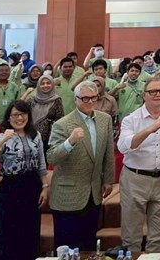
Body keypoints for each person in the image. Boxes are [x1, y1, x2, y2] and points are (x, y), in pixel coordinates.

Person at [117, 76, 160, 256]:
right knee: (131, 236)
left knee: (158, 237)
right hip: (135, 179)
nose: (158, 94)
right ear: (144, 94)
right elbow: (124, 147)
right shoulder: (131, 120)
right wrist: (150, 129)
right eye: (153, 91)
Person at [46, 81, 115, 251]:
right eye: (85, 98)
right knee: (66, 248)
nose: (90, 102)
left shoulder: (104, 119)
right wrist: (70, 142)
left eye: (94, 98)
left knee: (88, 246)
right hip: (67, 196)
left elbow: (109, 153)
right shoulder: (62, 124)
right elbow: (52, 158)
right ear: (76, 99)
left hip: (93, 193)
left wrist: (108, 180)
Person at [0, 100, 49, 260]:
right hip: (10, 188)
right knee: (8, 233)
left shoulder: (36, 135)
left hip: (32, 186)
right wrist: (3, 140)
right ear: (8, 117)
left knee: (30, 231)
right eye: (15, 115)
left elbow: (41, 162)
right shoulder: (2, 136)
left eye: (23, 114)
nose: (19, 118)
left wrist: (45, 186)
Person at [27, 74, 65, 154]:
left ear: (52, 84)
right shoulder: (32, 100)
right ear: (38, 85)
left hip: (47, 138)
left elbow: (60, 119)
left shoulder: (56, 100)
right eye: (42, 83)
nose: (45, 85)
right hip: (31, 135)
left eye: (48, 83)